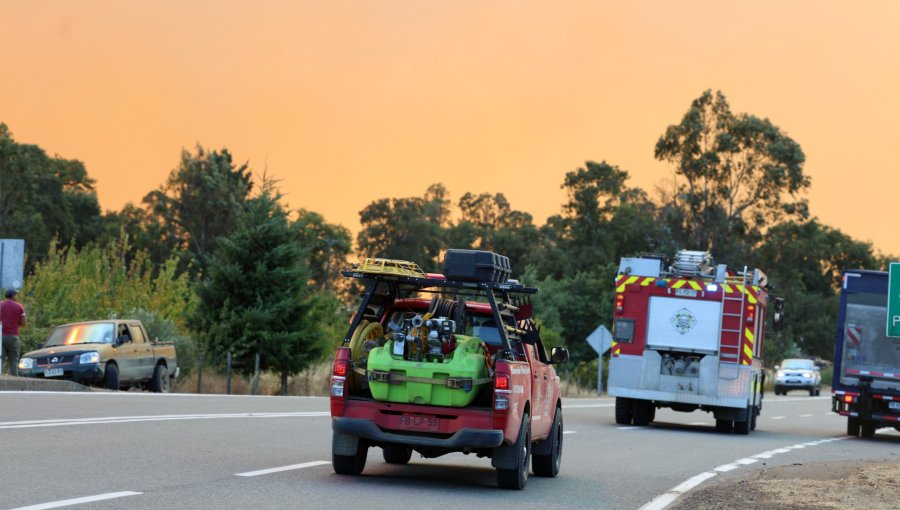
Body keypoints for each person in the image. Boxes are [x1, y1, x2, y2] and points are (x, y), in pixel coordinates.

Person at [1, 288, 26, 376]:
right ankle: (15, 380)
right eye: (15, 294)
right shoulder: (19, 306)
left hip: (1, 336)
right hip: (12, 336)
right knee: (13, 360)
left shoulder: (0, 304)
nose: (16, 296)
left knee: (1, 359)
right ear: (12, 295)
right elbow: (23, 322)